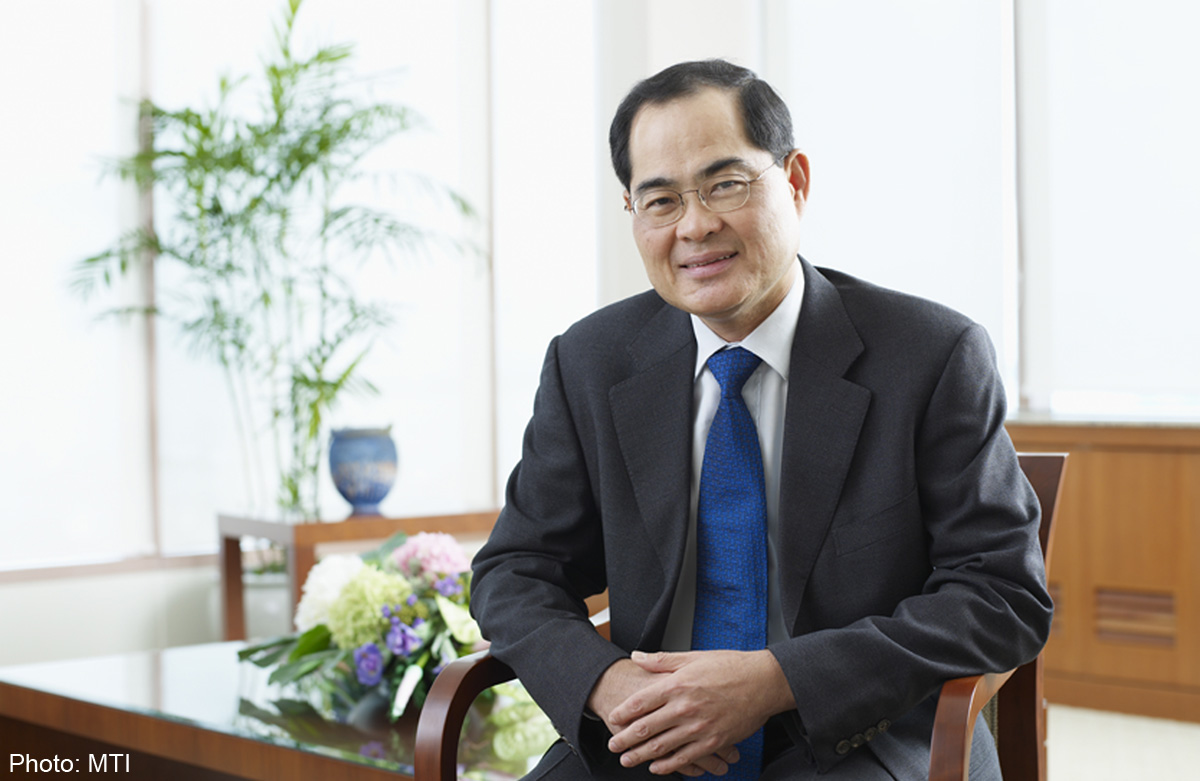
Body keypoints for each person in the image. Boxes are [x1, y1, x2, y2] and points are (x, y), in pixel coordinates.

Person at [470, 59, 1052, 780]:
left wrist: (778, 679)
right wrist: (606, 684)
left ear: (795, 181)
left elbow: (1002, 596)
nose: (694, 226)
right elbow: (514, 570)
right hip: (649, 736)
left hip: (852, 736)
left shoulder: (930, 355)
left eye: (726, 184)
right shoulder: (590, 360)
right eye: (660, 200)